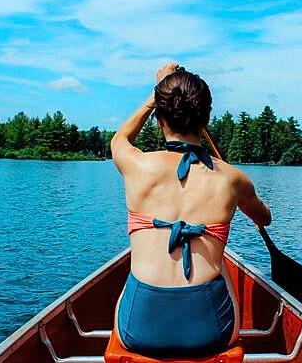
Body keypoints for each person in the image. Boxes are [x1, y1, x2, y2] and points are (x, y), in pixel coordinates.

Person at [110, 63, 272, 358]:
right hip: (211, 334)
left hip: (138, 331)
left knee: (135, 273)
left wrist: (156, 93)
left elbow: (120, 139)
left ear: (159, 118)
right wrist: (250, 203)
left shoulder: (136, 166)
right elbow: (265, 218)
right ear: (206, 119)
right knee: (221, 265)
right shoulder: (233, 179)